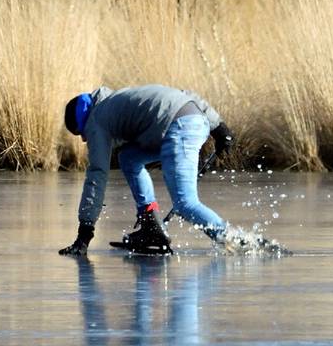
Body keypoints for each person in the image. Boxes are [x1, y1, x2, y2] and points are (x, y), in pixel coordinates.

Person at [58, 84, 235, 256]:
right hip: (193, 120)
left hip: (179, 128)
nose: (83, 138)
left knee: (185, 204)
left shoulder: (95, 119)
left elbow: (97, 174)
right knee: (128, 158)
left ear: (83, 121)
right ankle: (152, 226)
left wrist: (84, 233)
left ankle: (236, 241)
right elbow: (185, 94)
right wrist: (219, 127)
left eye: (80, 132)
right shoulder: (118, 98)